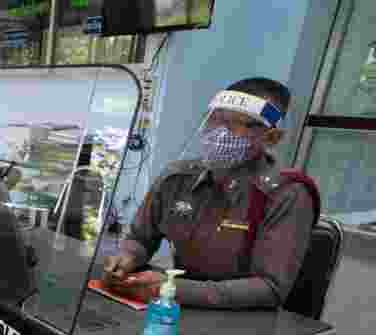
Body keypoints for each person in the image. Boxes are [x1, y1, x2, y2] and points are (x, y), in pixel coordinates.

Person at [103, 78, 319, 308]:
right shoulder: (177, 178)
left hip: (242, 319)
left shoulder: (287, 194)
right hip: (176, 308)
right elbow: (140, 238)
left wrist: (171, 289)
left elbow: (270, 289)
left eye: (238, 123)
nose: (219, 131)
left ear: (271, 137)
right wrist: (127, 257)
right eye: (215, 118)